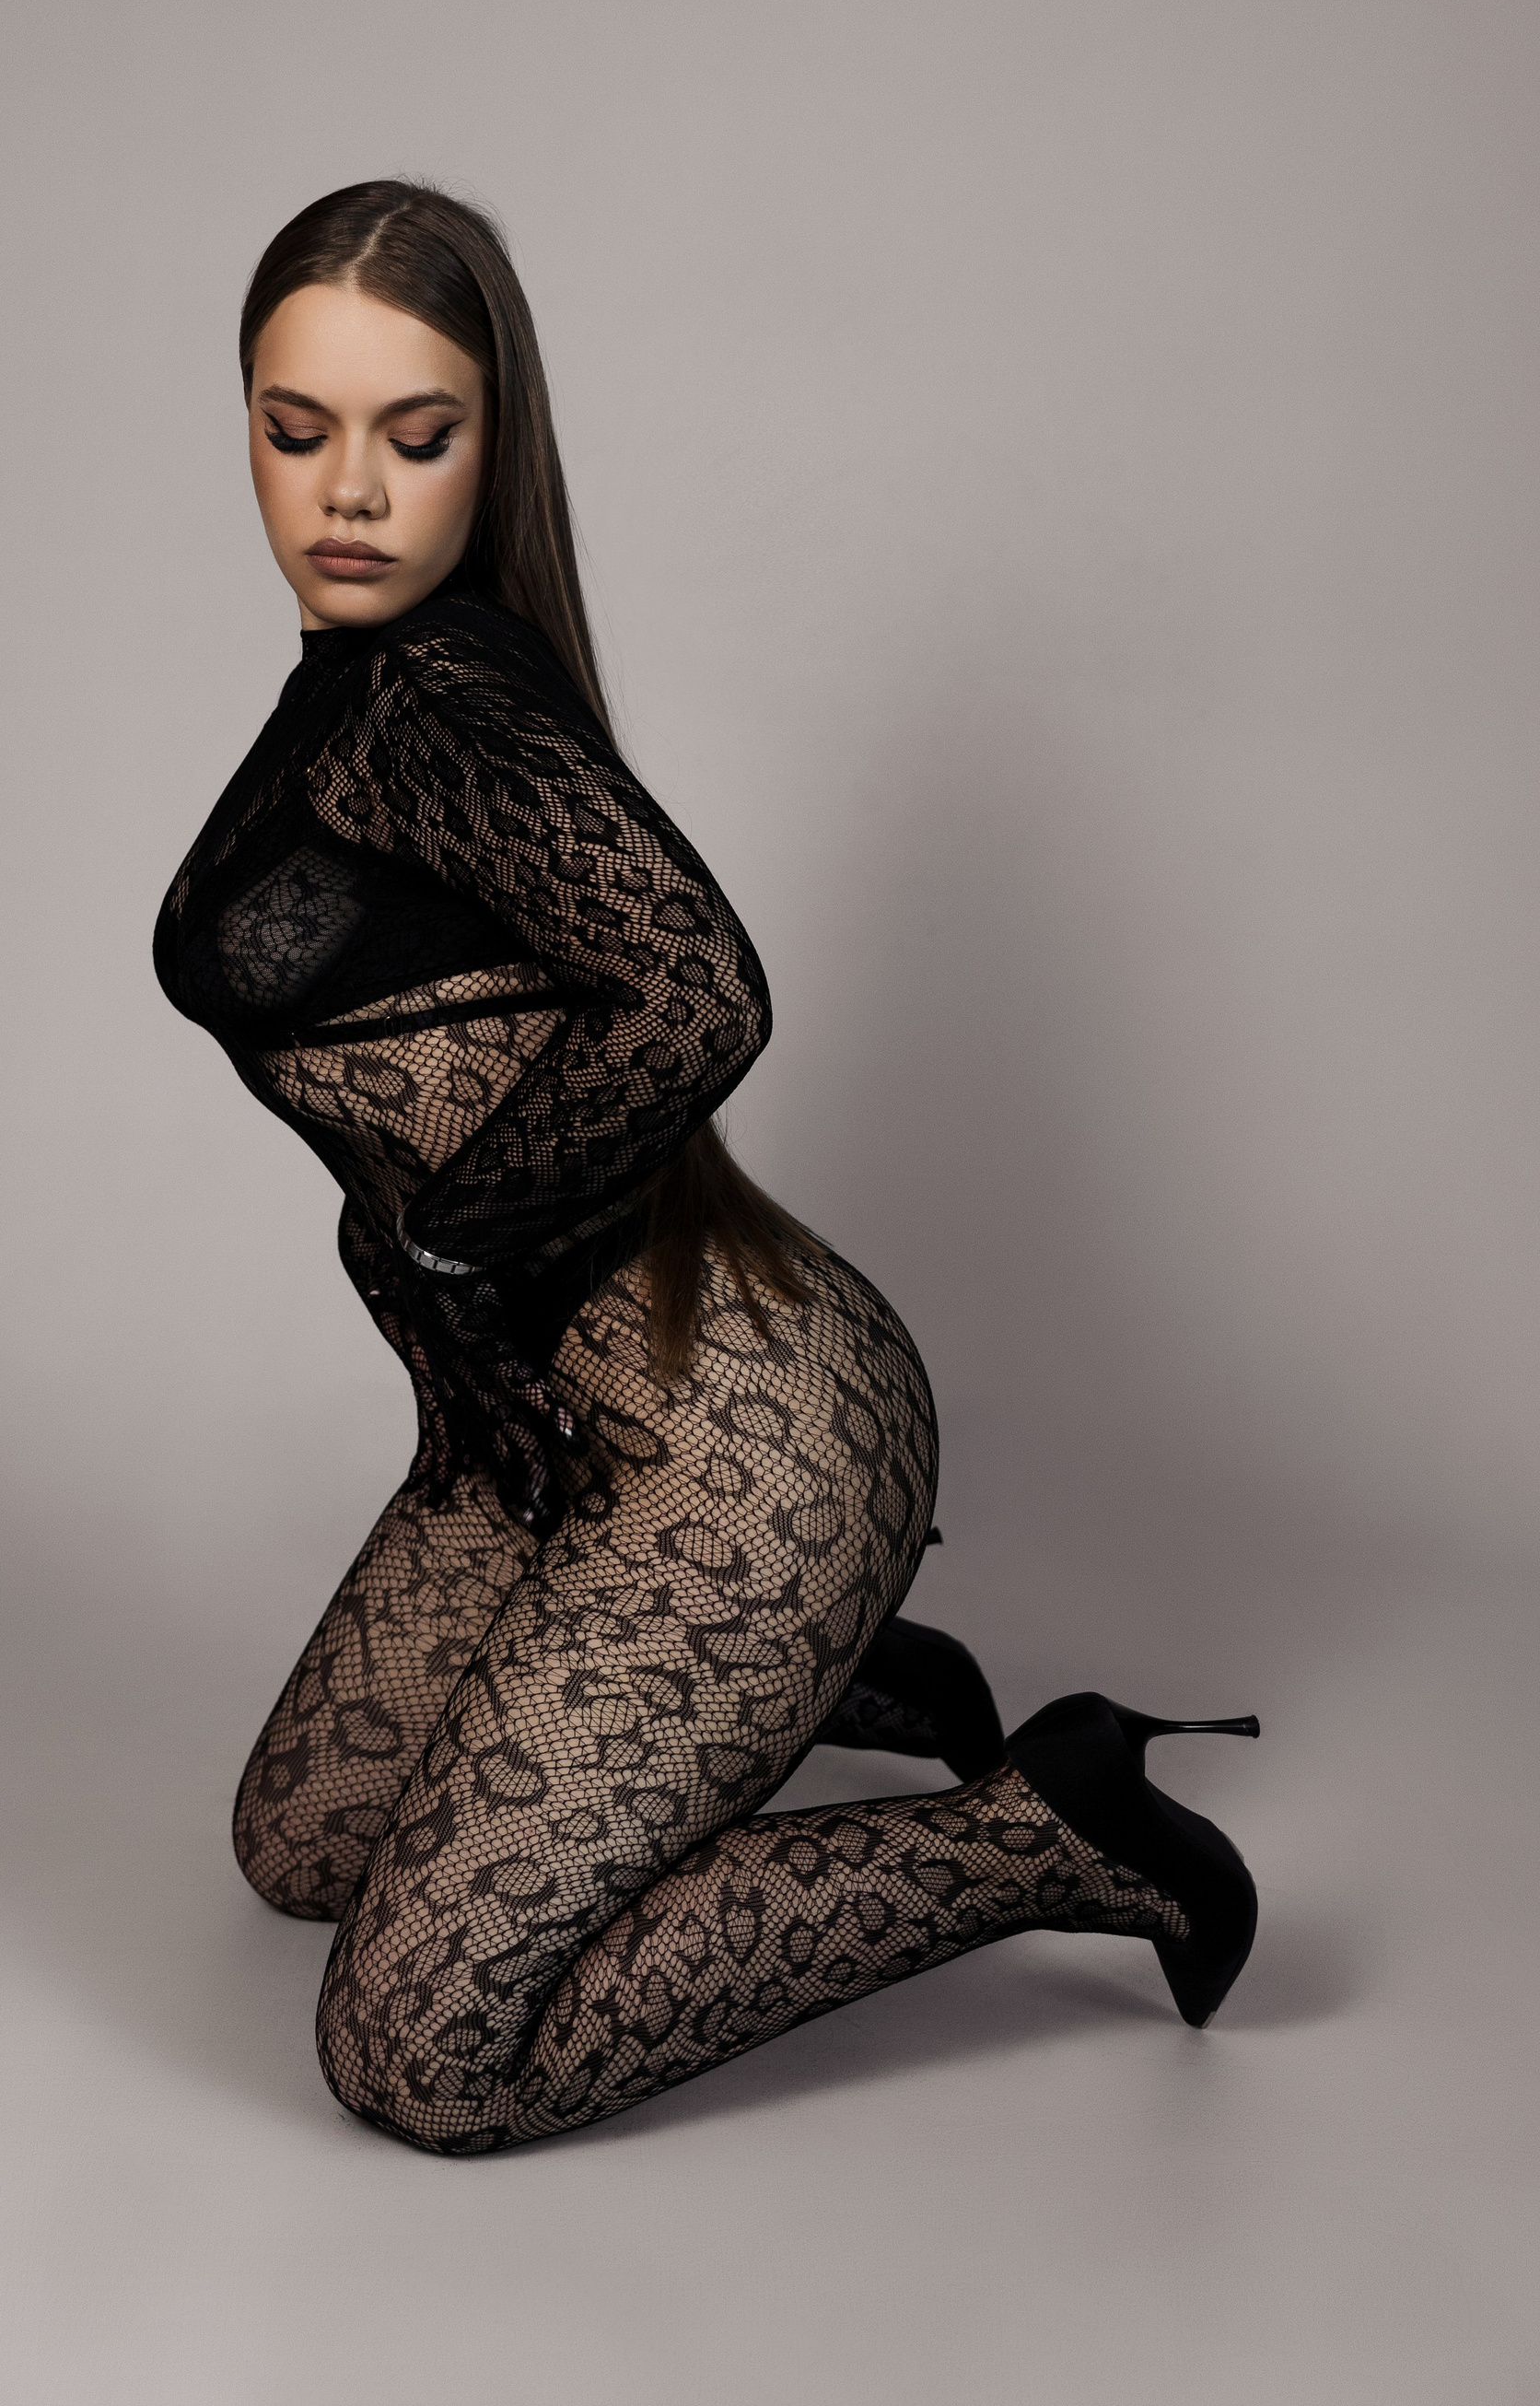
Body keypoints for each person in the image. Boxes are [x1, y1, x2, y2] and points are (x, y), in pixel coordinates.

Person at [154, 181, 1259, 2155]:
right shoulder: (352, 684)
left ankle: (1049, 1828)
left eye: (419, 436)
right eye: (295, 427)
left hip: (757, 1443)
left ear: (496, 447)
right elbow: (410, 1065)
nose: (351, 491)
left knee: (420, 2059)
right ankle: (834, 1682)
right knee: (299, 1844)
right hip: (563, 1425)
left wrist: (451, 1254)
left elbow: (697, 991)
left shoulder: (438, 699)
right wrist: (415, 1277)